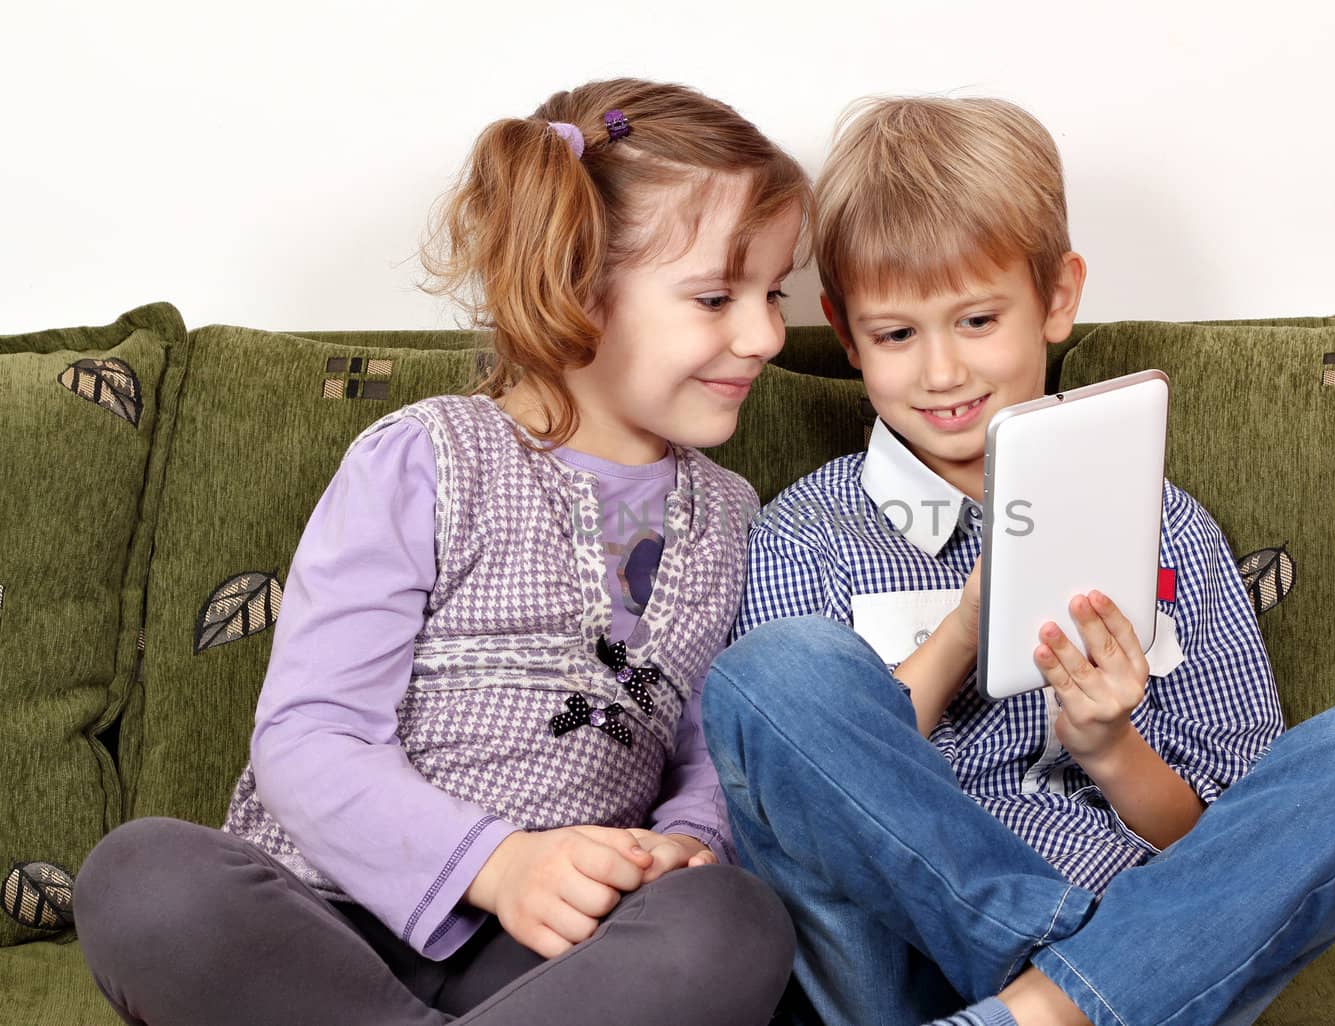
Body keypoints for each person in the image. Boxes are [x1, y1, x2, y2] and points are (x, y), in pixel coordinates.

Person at [701, 96, 1335, 1026]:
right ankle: (1066, 993)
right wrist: (962, 632)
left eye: (979, 320)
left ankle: (1050, 1003)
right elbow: (814, 794)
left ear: (1058, 298)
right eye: (898, 334)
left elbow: (1226, 843)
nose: (941, 372)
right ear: (848, 332)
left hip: (1149, 921)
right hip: (927, 970)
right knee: (770, 674)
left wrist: (1110, 749)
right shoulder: (807, 534)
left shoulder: (1168, 528)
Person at [74, 78, 808, 1026]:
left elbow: (715, 754)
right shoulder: (424, 457)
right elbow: (311, 736)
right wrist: (497, 864)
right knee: (141, 875)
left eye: (774, 293)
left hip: (552, 962)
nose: (765, 335)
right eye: (716, 296)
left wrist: (685, 843)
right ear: (574, 286)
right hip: (323, 921)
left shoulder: (736, 517)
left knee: (734, 921)